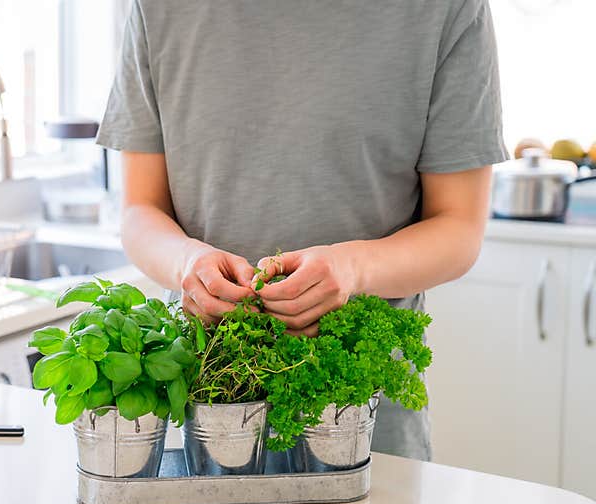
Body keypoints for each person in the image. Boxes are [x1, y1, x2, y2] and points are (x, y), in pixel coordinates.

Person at [96, 0, 507, 460]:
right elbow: (139, 209)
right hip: (201, 399)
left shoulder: (446, 8)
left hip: (358, 411)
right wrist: (187, 263)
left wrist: (352, 268)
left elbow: (459, 226)